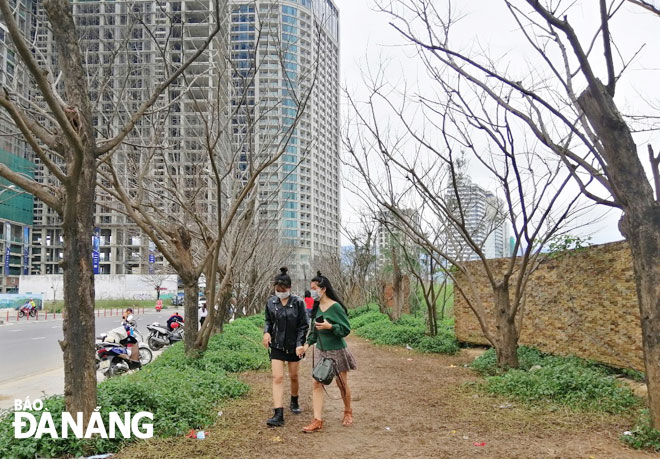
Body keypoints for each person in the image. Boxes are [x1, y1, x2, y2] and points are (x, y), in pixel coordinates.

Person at [301, 271, 357, 433]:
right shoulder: (316, 306)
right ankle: (317, 420)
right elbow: (314, 331)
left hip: (337, 350)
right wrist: (307, 345)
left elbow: (346, 329)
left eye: (314, 288)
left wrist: (330, 327)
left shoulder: (335, 307)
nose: (312, 291)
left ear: (323, 289)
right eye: (310, 288)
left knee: (342, 384)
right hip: (321, 350)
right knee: (316, 383)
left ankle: (348, 411)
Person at [263, 267, 309, 427]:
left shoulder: (298, 303)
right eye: (277, 290)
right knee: (277, 378)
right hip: (276, 345)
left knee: (294, 376)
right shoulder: (271, 302)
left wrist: (299, 344)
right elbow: (268, 321)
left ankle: (294, 399)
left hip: (294, 346)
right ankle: (278, 413)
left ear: (289, 288)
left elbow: (303, 326)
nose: (280, 292)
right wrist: (266, 333)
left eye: (283, 290)